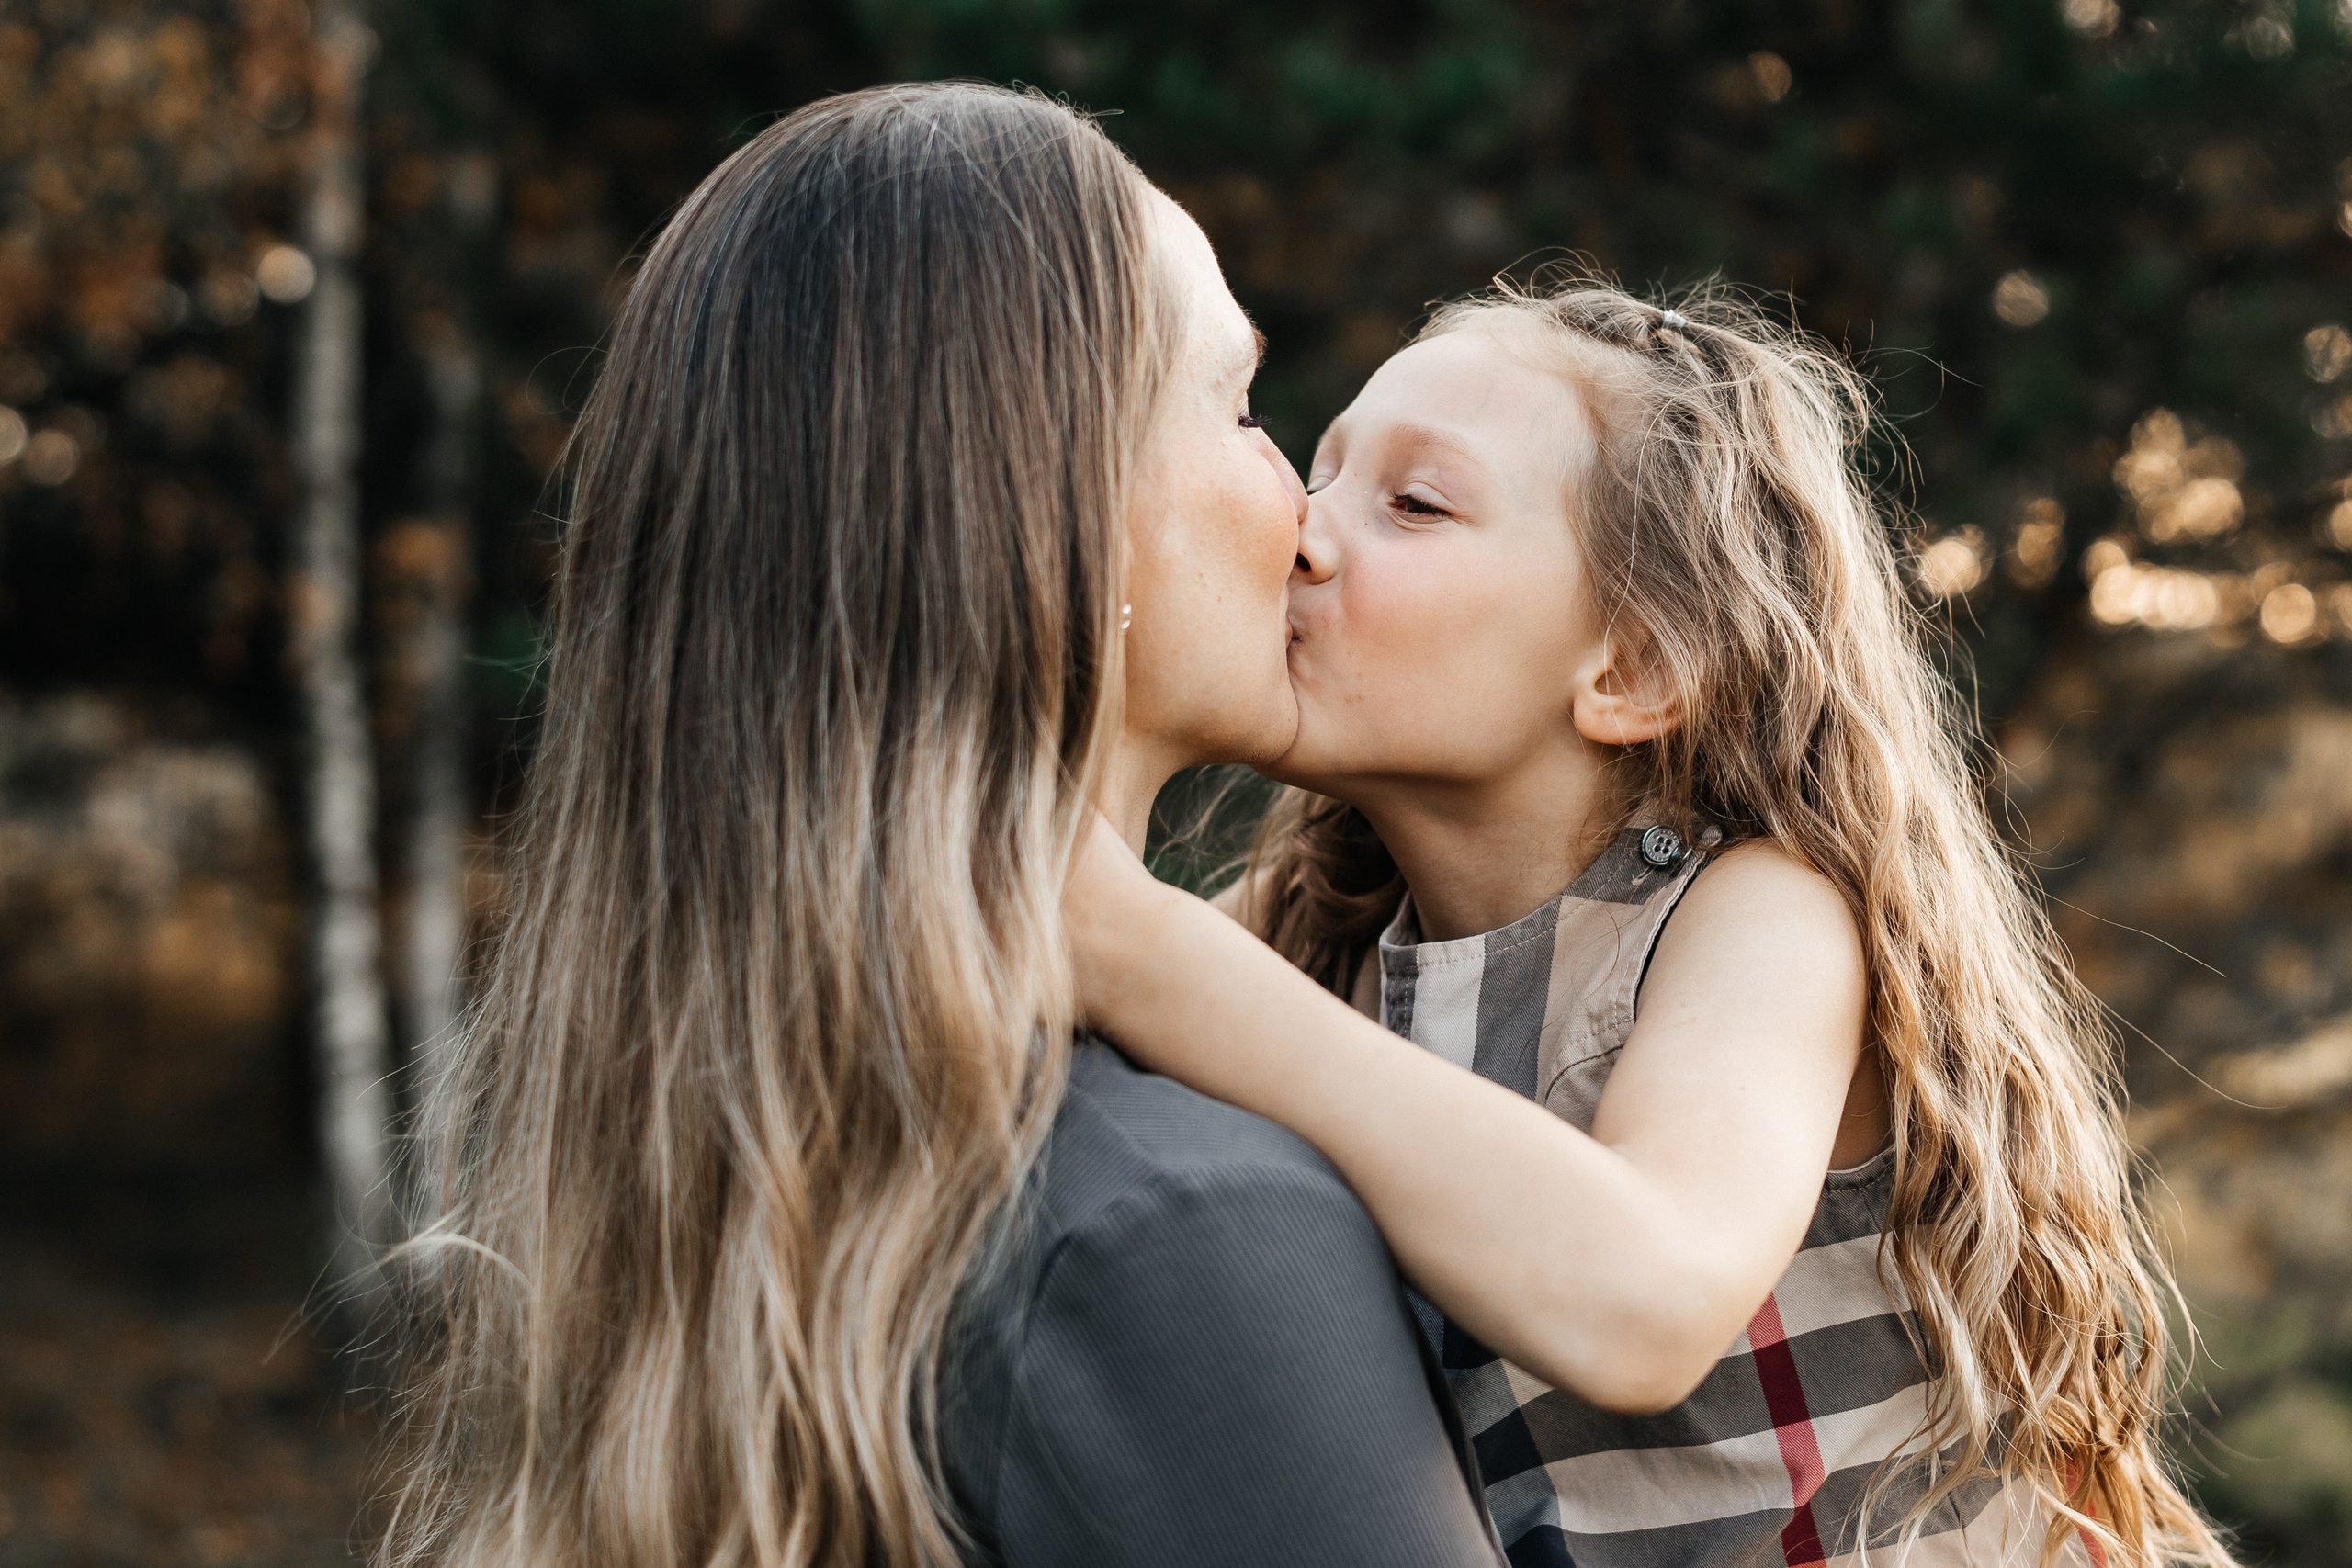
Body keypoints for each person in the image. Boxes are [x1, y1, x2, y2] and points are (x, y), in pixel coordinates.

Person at [376, 84, 1502, 1568]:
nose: (1308, 521)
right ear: (1056, 509)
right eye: (1238, 409)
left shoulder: (740, 1177)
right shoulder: (1181, 1230)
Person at [1067, 281, 2237, 1568]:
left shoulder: (1751, 918)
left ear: (1631, 670)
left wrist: (1132, 941)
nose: (1302, 532)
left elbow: (1646, 1299)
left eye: (1414, 503)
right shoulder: (1327, 946)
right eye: (1321, 468)